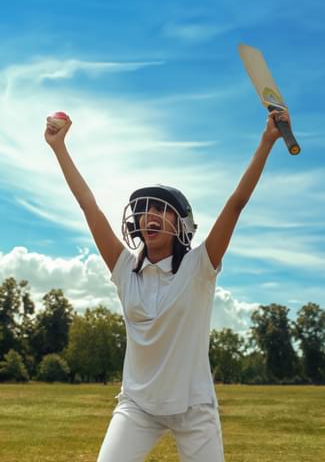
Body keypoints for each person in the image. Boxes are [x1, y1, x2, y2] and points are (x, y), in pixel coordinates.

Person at [45, 109, 291, 462]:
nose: (150, 217)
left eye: (163, 210)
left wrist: (267, 141)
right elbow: (88, 205)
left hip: (194, 408)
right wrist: (59, 148)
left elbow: (236, 204)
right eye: (144, 211)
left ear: (182, 225)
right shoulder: (123, 268)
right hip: (137, 406)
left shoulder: (200, 266)